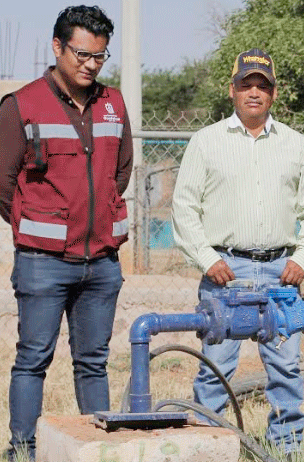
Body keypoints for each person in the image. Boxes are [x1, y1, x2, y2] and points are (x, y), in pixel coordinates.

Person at [172, 48, 304, 458]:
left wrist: (302, 259)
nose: (254, 92)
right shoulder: (206, 143)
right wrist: (209, 260)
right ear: (233, 90)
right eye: (246, 85)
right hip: (226, 271)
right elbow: (184, 210)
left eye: (263, 85)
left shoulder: (294, 144)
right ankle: (207, 447)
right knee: (216, 369)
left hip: (281, 271)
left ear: (274, 93)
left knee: (286, 370)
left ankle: (285, 449)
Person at [0, 5, 131, 461]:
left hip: (102, 264)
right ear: (56, 47)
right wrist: (40, 228)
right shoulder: (22, 105)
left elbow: (121, 172)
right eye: (81, 54)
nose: (91, 64)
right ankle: (24, 451)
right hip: (43, 262)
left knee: (94, 363)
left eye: (100, 56)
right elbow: (3, 183)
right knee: (33, 360)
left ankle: (95, 450)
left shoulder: (113, 102)